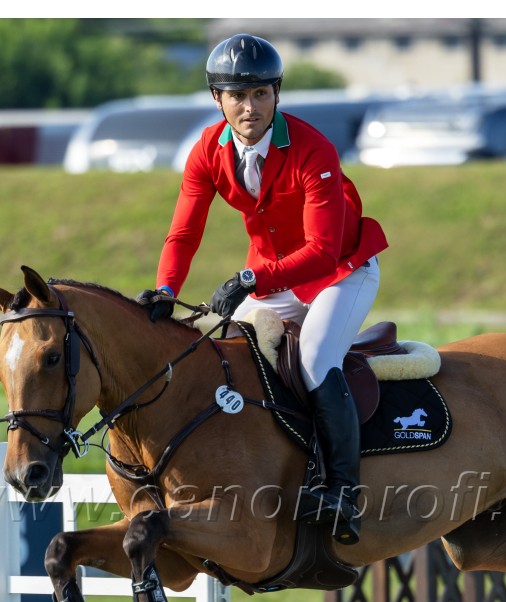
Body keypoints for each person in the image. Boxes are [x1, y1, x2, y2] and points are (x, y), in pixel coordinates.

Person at [136, 33, 387, 545]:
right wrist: (164, 289)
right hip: (276, 275)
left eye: (260, 95)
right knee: (228, 350)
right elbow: (184, 233)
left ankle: (342, 492)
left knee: (316, 358)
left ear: (277, 94)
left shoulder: (313, 149)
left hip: (341, 271)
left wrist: (249, 279)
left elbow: (321, 250)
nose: (249, 108)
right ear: (217, 99)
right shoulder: (207, 150)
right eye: (236, 95)